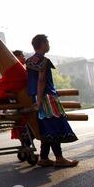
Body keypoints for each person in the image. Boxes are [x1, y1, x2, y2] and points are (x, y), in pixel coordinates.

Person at [26, 34, 78, 167]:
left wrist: (36, 100)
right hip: (47, 97)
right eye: (47, 42)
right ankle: (59, 158)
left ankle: (44, 157)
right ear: (42, 44)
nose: (49, 44)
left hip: (36, 97)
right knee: (54, 127)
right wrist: (40, 101)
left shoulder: (29, 61)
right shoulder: (44, 61)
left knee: (46, 127)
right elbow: (41, 81)